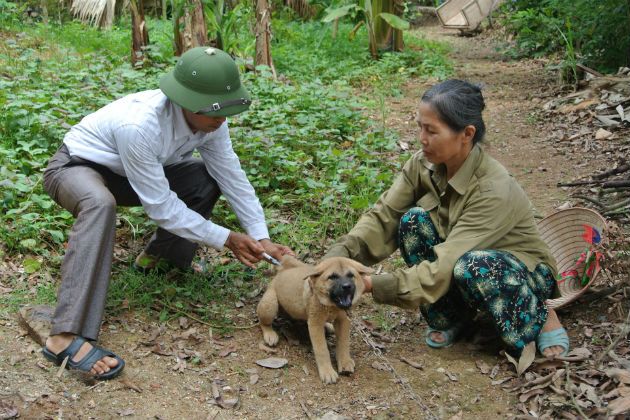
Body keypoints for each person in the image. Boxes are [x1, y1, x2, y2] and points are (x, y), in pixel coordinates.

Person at [41, 47, 293, 379]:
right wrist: (227, 238)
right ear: (186, 102)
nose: (222, 118)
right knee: (100, 203)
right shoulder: (140, 125)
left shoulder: (213, 123)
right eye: (215, 109)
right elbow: (161, 207)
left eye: (227, 108)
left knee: (205, 179)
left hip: (131, 174)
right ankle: (64, 334)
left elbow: (231, 174)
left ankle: (160, 260)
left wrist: (261, 236)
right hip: (76, 169)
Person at [325, 79, 569, 358]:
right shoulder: (423, 164)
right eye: (419, 127)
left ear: (466, 133)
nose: (421, 138)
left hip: (517, 269)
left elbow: (449, 261)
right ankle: (456, 317)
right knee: (412, 221)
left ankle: (540, 313)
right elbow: (383, 217)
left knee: (474, 266)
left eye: (431, 130)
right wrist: (336, 259)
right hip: (460, 255)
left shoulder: (493, 189)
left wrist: (370, 284)